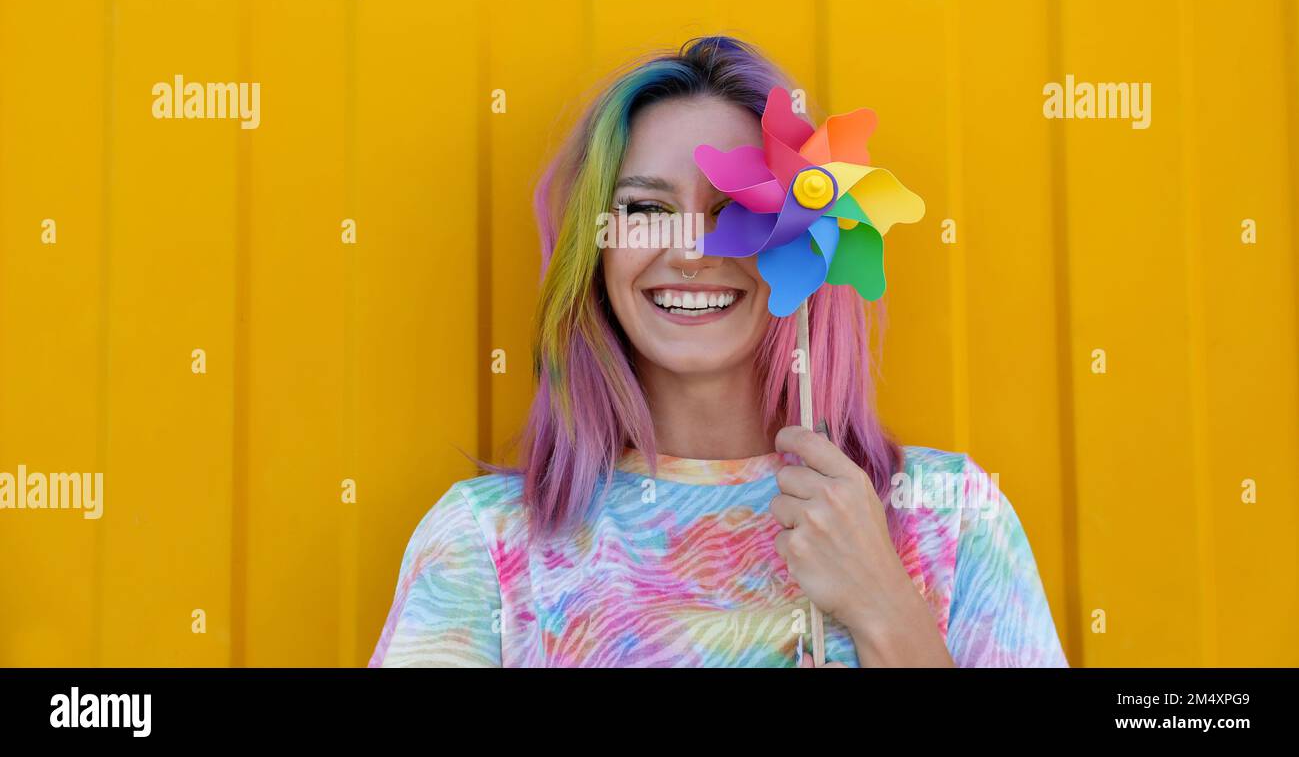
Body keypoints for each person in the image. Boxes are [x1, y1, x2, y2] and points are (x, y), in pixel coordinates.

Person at [369, 36, 1069, 667]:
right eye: (644, 210)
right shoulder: (487, 542)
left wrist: (884, 607)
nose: (693, 251)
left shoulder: (948, 517)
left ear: (805, 238)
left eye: (736, 210)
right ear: (595, 248)